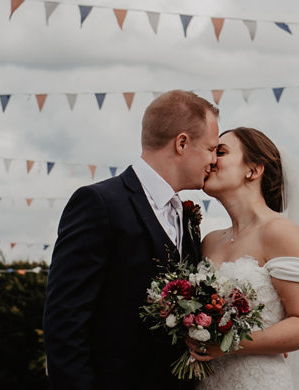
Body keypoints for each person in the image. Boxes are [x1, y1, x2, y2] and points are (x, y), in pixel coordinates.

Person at [45, 90, 220, 389]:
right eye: (210, 149)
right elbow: (65, 321)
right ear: (181, 143)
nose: (214, 161)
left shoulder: (187, 218)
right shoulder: (99, 203)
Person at [190, 126, 299, 390]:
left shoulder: (280, 232)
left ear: (253, 170)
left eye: (221, 151)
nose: (211, 159)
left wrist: (229, 345)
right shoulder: (209, 240)